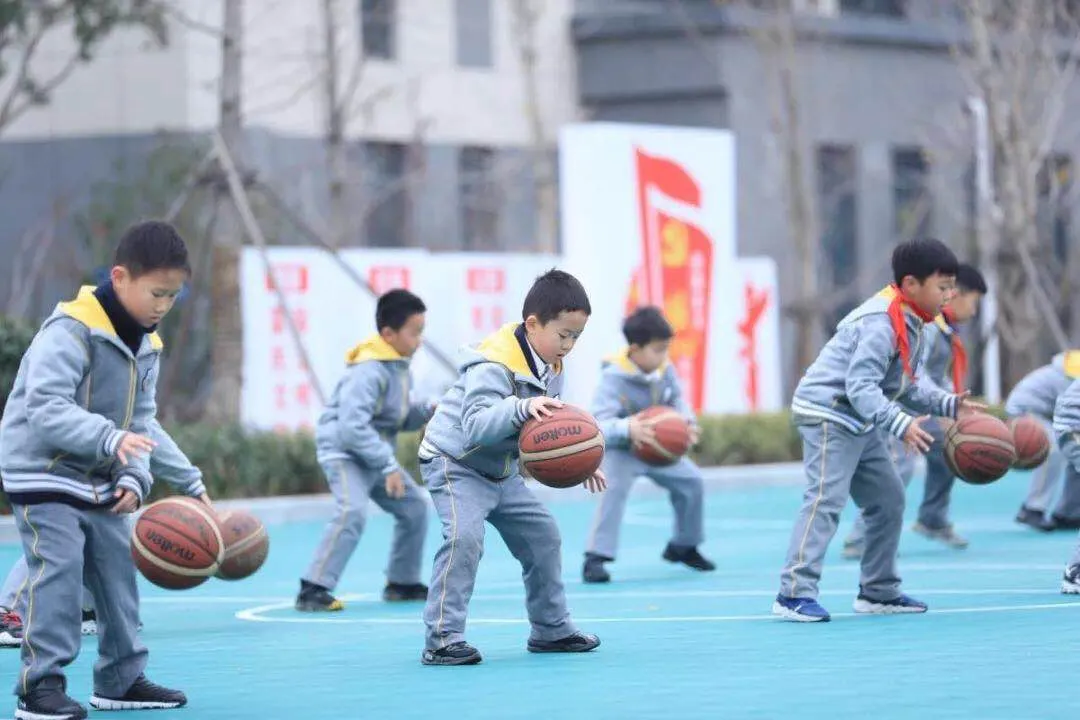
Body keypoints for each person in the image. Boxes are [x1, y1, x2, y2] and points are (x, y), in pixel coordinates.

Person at [0, 220, 192, 719]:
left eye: (172, 297)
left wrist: (134, 475)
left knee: (117, 574)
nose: (162, 306)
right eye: (156, 293)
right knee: (59, 574)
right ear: (120, 276)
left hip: (98, 475)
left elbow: (142, 421)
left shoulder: (148, 346)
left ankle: (121, 680)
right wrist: (110, 439)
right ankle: (39, 688)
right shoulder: (71, 331)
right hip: (41, 470)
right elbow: (44, 405)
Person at [774, 238, 982, 623]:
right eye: (943, 286)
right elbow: (861, 386)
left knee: (889, 499)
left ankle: (878, 590)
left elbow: (906, 385)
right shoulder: (881, 321)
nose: (950, 294)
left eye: (952, 286)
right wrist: (901, 423)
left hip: (858, 417)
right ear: (910, 284)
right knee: (825, 500)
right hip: (828, 414)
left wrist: (948, 403)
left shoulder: (915, 321)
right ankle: (793, 594)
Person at [417, 269, 606, 665]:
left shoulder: (551, 366)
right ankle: (442, 639)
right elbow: (475, 427)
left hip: (500, 471)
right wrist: (520, 407)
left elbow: (547, 434)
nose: (569, 345)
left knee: (543, 535)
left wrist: (579, 461)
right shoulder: (493, 364)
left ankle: (551, 629)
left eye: (577, 336)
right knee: (464, 540)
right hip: (455, 463)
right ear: (533, 325)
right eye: (564, 335)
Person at [296, 289, 435, 611]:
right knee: (352, 511)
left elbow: (395, 418)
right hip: (345, 454)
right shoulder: (368, 370)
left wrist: (429, 410)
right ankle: (313, 587)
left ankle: (402, 582)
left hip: (372, 455)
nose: (419, 341)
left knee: (414, 507)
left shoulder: (397, 368)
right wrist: (388, 466)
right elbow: (351, 427)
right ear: (388, 334)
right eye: (414, 333)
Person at [842, 263, 986, 557]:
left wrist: (952, 405)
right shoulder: (930, 326)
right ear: (958, 295)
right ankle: (861, 536)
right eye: (975, 301)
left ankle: (933, 518)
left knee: (950, 445)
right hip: (894, 405)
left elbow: (936, 375)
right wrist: (941, 410)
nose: (975, 310)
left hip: (914, 404)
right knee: (900, 464)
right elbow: (915, 375)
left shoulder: (944, 328)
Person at [582, 306, 713, 583]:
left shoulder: (665, 369)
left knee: (692, 482)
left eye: (666, 349)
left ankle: (684, 545)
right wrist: (627, 428)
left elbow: (678, 401)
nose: (664, 356)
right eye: (658, 350)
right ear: (635, 348)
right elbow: (598, 422)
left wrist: (686, 423)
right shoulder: (612, 377)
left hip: (659, 447)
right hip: (624, 450)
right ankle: (596, 556)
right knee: (612, 491)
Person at [1006, 351, 1080, 532]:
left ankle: (1068, 513)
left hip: (1048, 414)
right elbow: (1070, 413)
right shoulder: (1072, 378)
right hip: (1025, 412)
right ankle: (1032, 509)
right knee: (1053, 449)